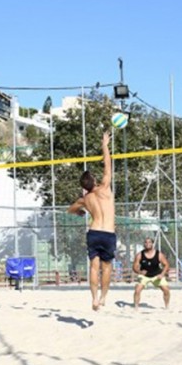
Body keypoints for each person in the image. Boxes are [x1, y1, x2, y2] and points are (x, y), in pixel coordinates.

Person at [67, 131, 115, 311]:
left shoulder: (84, 200)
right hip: (108, 233)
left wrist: (80, 212)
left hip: (93, 232)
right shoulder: (104, 188)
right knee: (107, 267)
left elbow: (70, 209)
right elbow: (108, 165)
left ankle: (94, 299)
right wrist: (105, 145)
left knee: (94, 268)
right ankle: (103, 298)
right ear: (93, 180)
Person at [132, 237, 171, 310]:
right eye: (146, 242)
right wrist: (139, 272)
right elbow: (134, 267)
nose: (147, 244)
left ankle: (167, 306)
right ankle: (136, 307)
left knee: (166, 289)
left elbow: (166, 265)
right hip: (145, 276)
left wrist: (162, 274)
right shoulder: (140, 255)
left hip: (156, 275)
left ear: (152, 244)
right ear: (144, 244)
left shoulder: (158, 254)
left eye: (149, 242)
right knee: (137, 289)